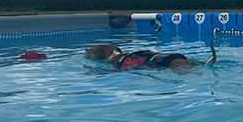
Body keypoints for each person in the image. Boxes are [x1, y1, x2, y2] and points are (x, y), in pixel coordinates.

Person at [85, 43, 216, 74]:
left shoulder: (115, 64)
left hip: (166, 64)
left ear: (101, 55)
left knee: (195, 73)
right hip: (167, 58)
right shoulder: (129, 55)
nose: (88, 52)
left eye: (92, 51)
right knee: (198, 67)